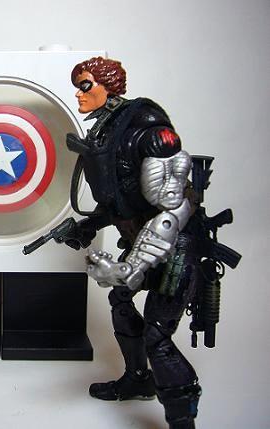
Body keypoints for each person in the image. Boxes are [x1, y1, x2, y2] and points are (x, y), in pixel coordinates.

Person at [64, 57, 201, 429]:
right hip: (142, 238)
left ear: (109, 85)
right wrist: (87, 226)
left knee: (158, 335)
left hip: (175, 245)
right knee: (121, 300)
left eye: (86, 85)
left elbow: (173, 210)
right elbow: (122, 200)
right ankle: (138, 380)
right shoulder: (108, 130)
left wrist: (130, 266)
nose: (78, 93)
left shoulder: (148, 129)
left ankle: (182, 419)